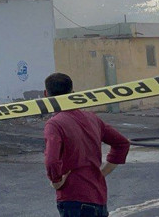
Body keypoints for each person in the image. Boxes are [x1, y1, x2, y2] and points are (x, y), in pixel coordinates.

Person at [44, 72, 131, 217]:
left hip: (73, 198)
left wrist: (56, 180)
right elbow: (122, 143)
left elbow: (52, 160)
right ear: (73, 93)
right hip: (98, 196)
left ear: (46, 94)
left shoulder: (54, 124)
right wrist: (102, 173)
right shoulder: (92, 118)